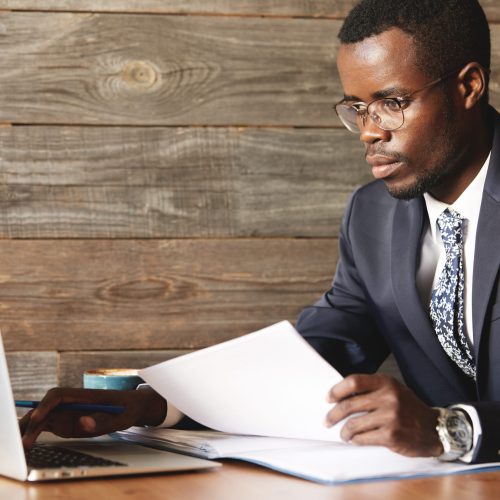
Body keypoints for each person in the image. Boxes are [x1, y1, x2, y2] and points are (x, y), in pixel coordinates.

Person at [20, 0, 500, 464]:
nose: (369, 131)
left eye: (391, 102)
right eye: (357, 107)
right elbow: (315, 354)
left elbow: (449, 423)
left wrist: (449, 429)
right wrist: (156, 404)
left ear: (469, 86)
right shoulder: (371, 216)